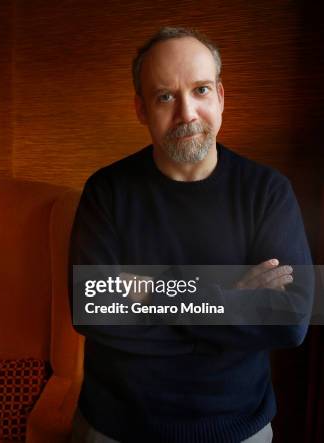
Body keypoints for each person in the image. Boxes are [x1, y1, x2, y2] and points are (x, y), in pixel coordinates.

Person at [68, 27, 314, 443]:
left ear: (220, 97)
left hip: (237, 428)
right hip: (117, 427)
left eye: (200, 90)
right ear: (141, 109)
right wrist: (233, 300)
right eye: (165, 96)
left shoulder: (267, 191)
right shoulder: (106, 191)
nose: (186, 113)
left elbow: (290, 320)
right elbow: (90, 308)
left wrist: (152, 293)